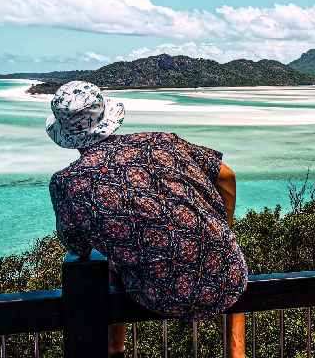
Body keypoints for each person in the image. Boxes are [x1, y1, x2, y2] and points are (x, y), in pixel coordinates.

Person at [46, 81, 248, 357]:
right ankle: (236, 353)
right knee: (225, 250)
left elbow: (76, 247)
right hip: (227, 274)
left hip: (158, 295)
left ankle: (115, 347)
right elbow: (226, 175)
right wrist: (226, 225)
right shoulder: (161, 141)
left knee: (108, 258)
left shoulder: (66, 183)